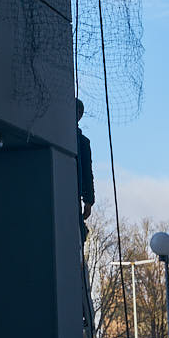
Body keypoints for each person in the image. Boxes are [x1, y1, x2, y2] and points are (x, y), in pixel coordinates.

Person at [76, 98, 95, 242]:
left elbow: (87, 173)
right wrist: (88, 201)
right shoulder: (80, 140)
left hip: (74, 191)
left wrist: (88, 200)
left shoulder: (81, 141)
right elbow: (87, 173)